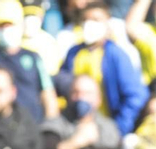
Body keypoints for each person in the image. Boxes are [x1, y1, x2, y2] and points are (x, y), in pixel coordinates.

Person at [63, 1, 150, 137]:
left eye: (96, 20)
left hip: (107, 128)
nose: (90, 24)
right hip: (74, 127)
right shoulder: (73, 53)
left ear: (108, 24)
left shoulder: (116, 55)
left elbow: (135, 96)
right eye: (85, 20)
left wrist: (119, 129)